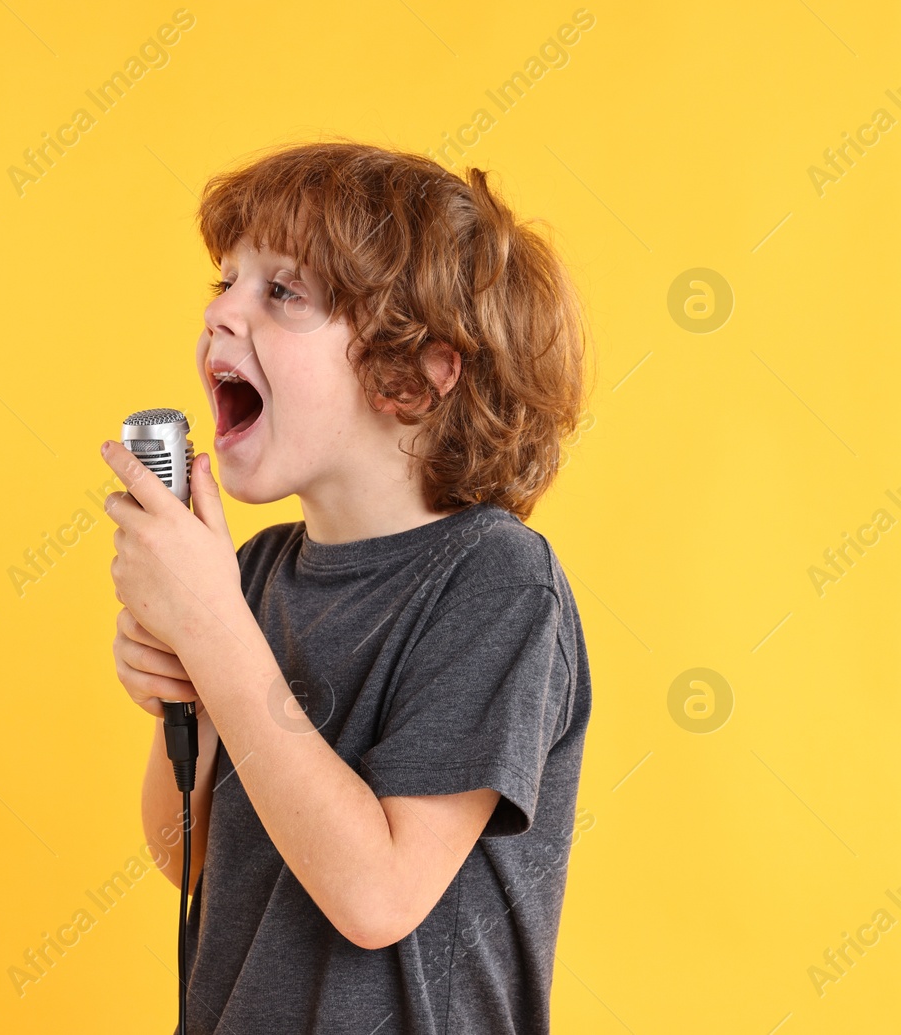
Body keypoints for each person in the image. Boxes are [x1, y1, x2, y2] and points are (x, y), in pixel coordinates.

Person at [101, 139, 593, 1034]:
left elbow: (378, 895)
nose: (222, 315)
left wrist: (215, 635)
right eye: (226, 282)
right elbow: (185, 853)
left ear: (413, 375)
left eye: (281, 292)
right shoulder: (252, 574)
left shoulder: (498, 582)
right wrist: (190, 698)